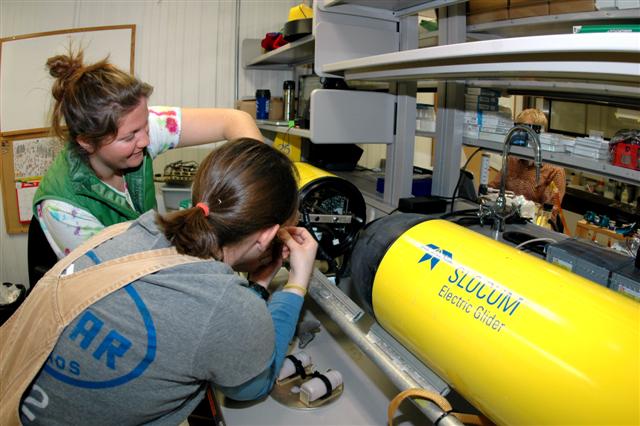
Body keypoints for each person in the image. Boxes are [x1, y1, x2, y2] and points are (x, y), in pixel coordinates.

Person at [19, 138, 318, 424]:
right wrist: (296, 284)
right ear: (267, 236)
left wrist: (256, 286)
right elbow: (251, 385)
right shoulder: (225, 305)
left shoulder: (136, 230)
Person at [33, 49, 263, 258]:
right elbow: (116, 284)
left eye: (145, 125)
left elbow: (235, 120)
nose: (145, 140)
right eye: (129, 137)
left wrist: (263, 187)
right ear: (87, 142)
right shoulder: (62, 208)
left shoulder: (134, 125)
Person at [489, 108, 566, 217]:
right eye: (518, 131)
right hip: (507, 217)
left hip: (534, 225)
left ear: (540, 135)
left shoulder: (554, 170)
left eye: (525, 132)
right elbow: (494, 188)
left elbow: (550, 212)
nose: (520, 137)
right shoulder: (512, 160)